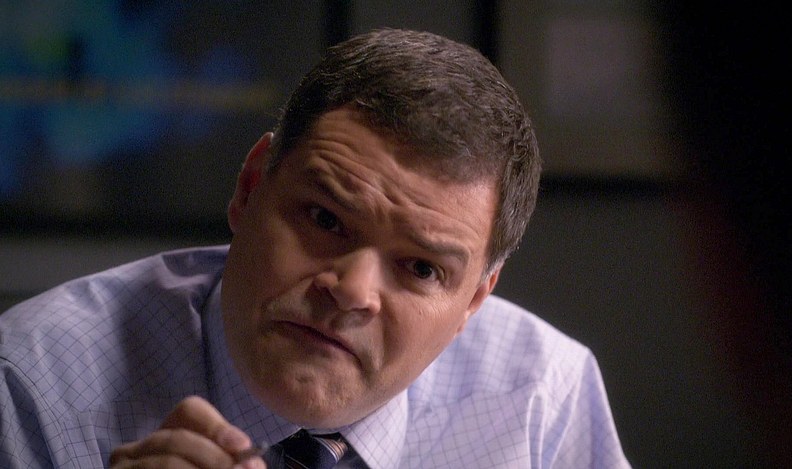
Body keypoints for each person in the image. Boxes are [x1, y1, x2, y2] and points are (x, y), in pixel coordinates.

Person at [0, 29, 629, 468]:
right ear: (251, 188)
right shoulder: (34, 387)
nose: (352, 292)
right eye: (326, 219)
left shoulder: (543, 396)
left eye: (420, 268)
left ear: (473, 302)